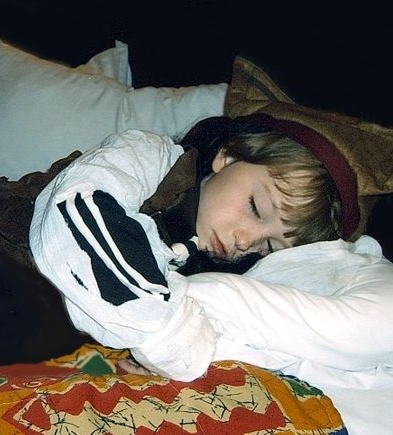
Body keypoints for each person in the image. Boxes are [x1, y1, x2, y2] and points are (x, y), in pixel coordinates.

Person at [30, 114, 351, 381]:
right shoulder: (149, 156)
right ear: (228, 156)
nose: (246, 241)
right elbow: (76, 215)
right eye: (255, 208)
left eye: (268, 245)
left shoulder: (221, 277)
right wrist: (173, 341)